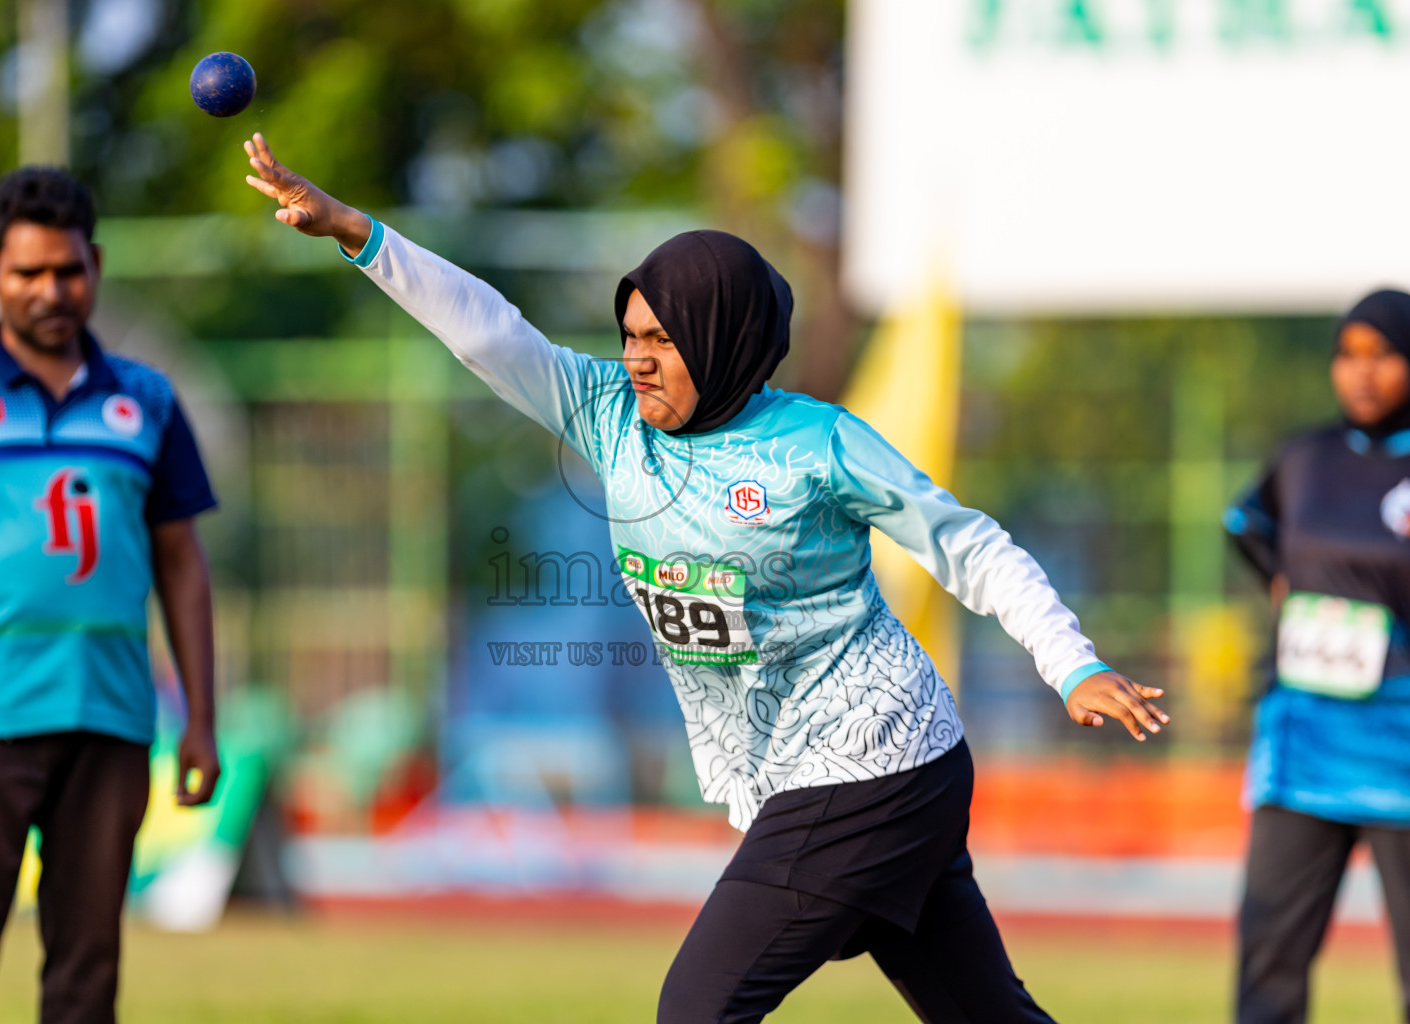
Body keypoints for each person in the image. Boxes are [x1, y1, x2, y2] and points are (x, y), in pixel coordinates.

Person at [241, 132, 1168, 1023]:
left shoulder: (818, 444)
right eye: (630, 331)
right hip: (809, 771)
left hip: (874, 760)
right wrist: (357, 234)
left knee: (697, 1006)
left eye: (664, 338)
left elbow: (969, 545)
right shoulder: (608, 415)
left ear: (725, 339)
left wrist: (1072, 663)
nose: (637, 356)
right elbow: (489, 333)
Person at [0, 167, 221, 1024]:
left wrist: (203, 719)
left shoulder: (147, 399)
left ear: (95, 266)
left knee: (84, 979)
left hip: (109, 719)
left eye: (67, 270)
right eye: (28, 273)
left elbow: (183, 565)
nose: (51, 291)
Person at [1226, 288, 1410, 1024]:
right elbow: (1245, 523)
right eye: (1348, 356)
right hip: (1303, 746)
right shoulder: (1305, 457)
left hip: (1402, 751)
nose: (1362, 374)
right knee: (1268, 957)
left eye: (1384, 355)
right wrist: (1279, 575)